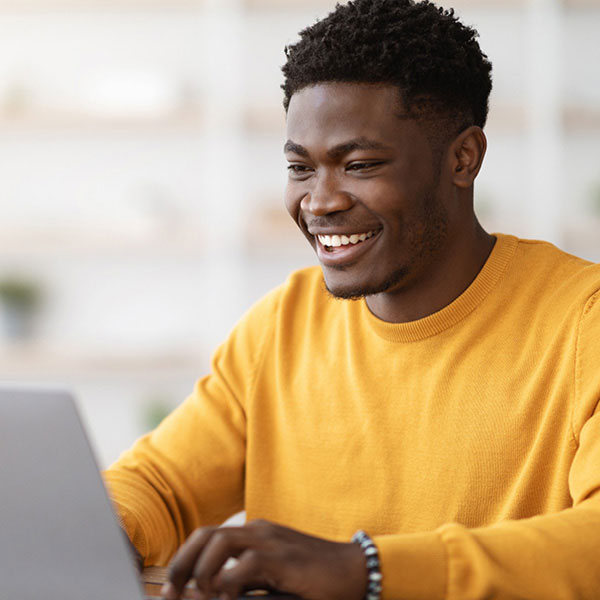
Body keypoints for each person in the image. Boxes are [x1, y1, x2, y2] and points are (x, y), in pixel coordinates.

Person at [104, 1, 600, 599]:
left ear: (462, 158)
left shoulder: (583, 319)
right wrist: (100, 532)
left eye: (360, 165)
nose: (319, 202)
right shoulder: (282, 324)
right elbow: (160, 485)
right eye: (300, 167)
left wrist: (364, 569)